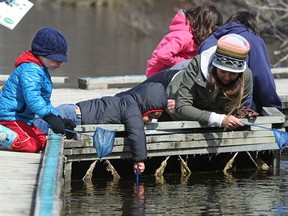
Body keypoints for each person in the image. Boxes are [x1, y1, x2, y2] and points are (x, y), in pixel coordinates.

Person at [117, 34, 253, 130]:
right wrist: (218, 119)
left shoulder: (246, 77)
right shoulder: (197, 64)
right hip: (169, 84)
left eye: (233, 73)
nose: (227, 77)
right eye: (223, 71)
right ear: (215, 66)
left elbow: (227, 110)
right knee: (125, 100)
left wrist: (218, 118)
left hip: (176, 111)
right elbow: (183, 108)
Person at [33, 82, 168, 175]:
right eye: (150, 116)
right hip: (73, 116)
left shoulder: (126, 100)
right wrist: (139, 159)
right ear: (145, 108)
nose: (149, 121)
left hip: (72, 112)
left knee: (34, 124)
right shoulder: (132, 109)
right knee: (34, 126)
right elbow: (136, 132)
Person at [0, 27, 76, 153]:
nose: (59, 63)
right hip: (9, 117)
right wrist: (50, 118)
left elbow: (44, 102)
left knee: (42, 141)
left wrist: (58, 119)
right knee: (31, 145)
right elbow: (33, 98)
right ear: (42, 55)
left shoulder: (41, 70)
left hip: (23, 119)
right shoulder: (31, 70)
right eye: (56, 59)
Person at [197, 11, 282, 113]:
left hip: (204, 107)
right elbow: (262, 79)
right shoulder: (254, 40)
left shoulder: (210, 39)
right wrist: (274, 106)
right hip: (236, 108)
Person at [145, 3, 223, 77]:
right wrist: (186, 62)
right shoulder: (184, 36)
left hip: (168, 71)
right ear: (205, 25)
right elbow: (163, 55)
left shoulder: (194, 38)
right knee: (192, 64)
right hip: (157, 74)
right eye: (213, 29)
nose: (213, 33)